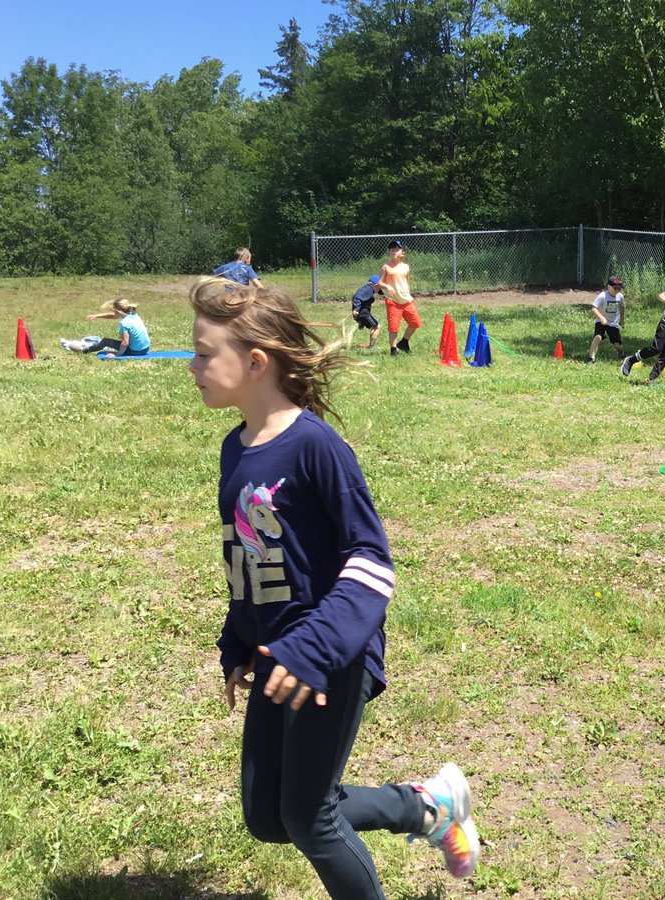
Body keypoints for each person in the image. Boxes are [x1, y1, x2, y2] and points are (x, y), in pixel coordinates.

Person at [187, 277, 479, 898]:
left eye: (205, 352)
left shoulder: (317, 447)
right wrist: (237, 644)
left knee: (310, 819)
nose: (194, 366)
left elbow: (371, 563)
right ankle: (425, 807)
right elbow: (248, 559)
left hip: (328, 659)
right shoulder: (233, 449)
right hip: (274, 657)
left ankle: (424, 809)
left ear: (256, 362)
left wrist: (315, 649)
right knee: (269, 818)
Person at [59, 298, 151, 357]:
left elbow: (125, 343)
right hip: (145, 348)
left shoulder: (124, 323)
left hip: (135, 351)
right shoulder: (133, 314)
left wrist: (117, 354)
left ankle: (85, 350)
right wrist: (97, 316)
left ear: (117, 311)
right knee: (110, 343)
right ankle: (94, 347)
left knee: (106, 341)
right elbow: (114, 316)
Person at [378, 240, 422, 357]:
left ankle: (403, 342)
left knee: (415, 323)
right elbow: (379, 283)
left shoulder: (406, 267)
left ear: (402, 253)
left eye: (397, 250)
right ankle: (393, 350)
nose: (394, 252)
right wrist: (388, 286)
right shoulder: (386, 267)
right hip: (393, 301)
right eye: (392, 250)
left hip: (407, 300)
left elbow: (405, 282)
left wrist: (407, 293)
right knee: (394, 327)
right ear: (389, 253)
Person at [587, 276, 626, 363]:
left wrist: (622, 320)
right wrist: (601, 318)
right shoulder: (603, 296)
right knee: (598, 337)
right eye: (615, 288)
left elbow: (622, 307)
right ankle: (591, 358)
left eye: (619, 289)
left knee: (617, 344)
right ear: (609, 287)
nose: (617, 291)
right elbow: (594, 308)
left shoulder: (620, 297)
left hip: (613, 323)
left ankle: (622, 354)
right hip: (601, 321)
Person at [351, 275, 383, 348]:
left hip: (363, 312)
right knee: (377, 326)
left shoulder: (369, 289)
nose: (382, 288)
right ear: (376, 285)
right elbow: (357, 298)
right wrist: (356, 309)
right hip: (363, 313)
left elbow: (382, 292)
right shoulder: (367, 289)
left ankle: (371, 345)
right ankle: (372, 346)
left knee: (374, 326)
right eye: (381, 285)